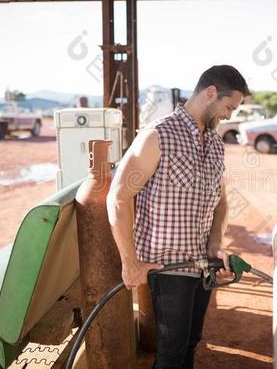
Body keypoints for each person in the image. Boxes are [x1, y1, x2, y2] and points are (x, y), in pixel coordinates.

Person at [107, 65, 251, 368]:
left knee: (191, 343)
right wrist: (129, 263)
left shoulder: (214, 143)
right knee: (171, 353)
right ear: (210, 93)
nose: (229, 116)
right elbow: (118, 197)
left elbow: (221, 202)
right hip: (168, 266)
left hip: (203, 265)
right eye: (228, 107)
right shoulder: (157, 136)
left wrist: (215, 245)